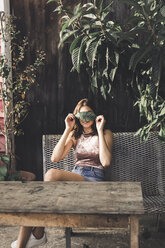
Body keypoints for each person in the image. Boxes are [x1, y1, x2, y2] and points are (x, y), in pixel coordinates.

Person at [11, 98, 113, 248]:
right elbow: (55, 157)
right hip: (76, 178)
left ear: (95, 115)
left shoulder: (105, 133)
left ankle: (38, 234)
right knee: (36, 203)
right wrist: (67, 129)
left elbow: (105, 162)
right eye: (81, 115)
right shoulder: (75, 136)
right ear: (77, 117)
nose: (85, 119)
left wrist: (99, 129)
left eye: (88, 115)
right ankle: (33, 238)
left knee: (51, 175)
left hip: (94, 181)